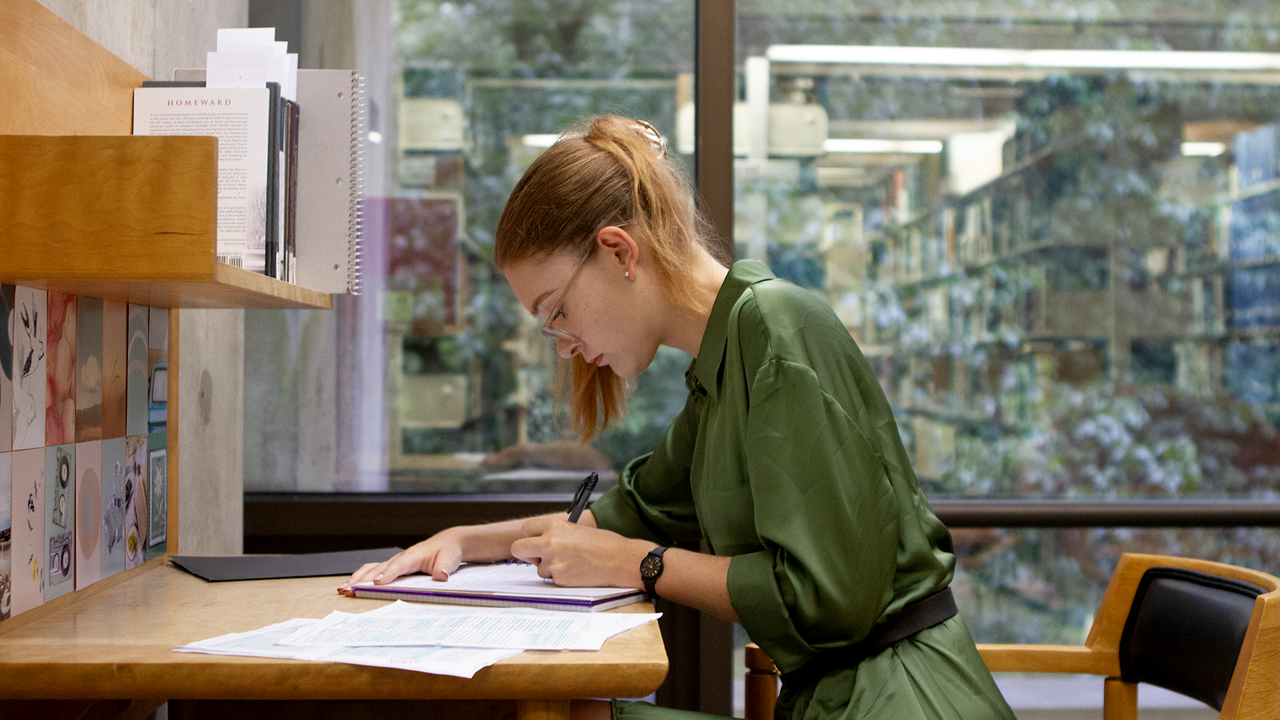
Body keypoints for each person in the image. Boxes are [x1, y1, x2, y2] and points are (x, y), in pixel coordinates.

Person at [342, 115, 1015, 720]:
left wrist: (642, 566)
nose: (564, 342)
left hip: (903, 700)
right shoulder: (722, 363)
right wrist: (468, 539)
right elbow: (632, 510)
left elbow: (826, 599)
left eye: (556, 311)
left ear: (618, 251)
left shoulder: (776, 332)